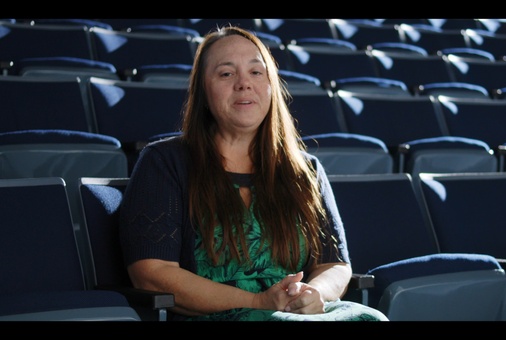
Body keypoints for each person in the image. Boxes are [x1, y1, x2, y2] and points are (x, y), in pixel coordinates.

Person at [119, 25, 388, 322]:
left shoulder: (305, 169)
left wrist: (313, 294)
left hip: (297, 314)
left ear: (271, 85)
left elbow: (334, 265)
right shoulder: (164, 162)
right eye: (226, 73)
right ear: (202, 92)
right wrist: (259, 301)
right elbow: (152, 274)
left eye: (256, 72)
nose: (243, 84)